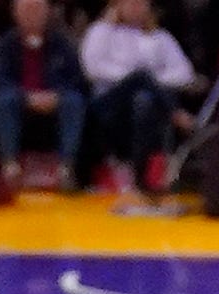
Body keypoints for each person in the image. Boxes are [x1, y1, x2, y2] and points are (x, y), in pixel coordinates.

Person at [81, 0, 197, 191]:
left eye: (141, 3)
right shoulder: (102, 31)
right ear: (117, 5)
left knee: (144, 99)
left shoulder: (160, 37)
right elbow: (93, 68)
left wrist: (151, 82)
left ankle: (141, 175)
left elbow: (184, 73)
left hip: (145, 104)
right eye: (131, 3)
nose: (136, 8)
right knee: (140, 77)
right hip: (108, 102)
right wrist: (131, 77)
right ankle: (177, 114)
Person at [0, 0, 87, 187]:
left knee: (74, 101)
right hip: (20, 100)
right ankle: (10, 167)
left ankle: (66, 168)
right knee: (4, 100)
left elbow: (77, 80)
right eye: (27, 9)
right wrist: (26, 97)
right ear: (15, 14)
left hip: (55, 100)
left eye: (37, 9)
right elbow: (0, 81)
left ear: (47, 13)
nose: (32, 14)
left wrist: (56, 95)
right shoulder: (6, 43)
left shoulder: (62, 43)